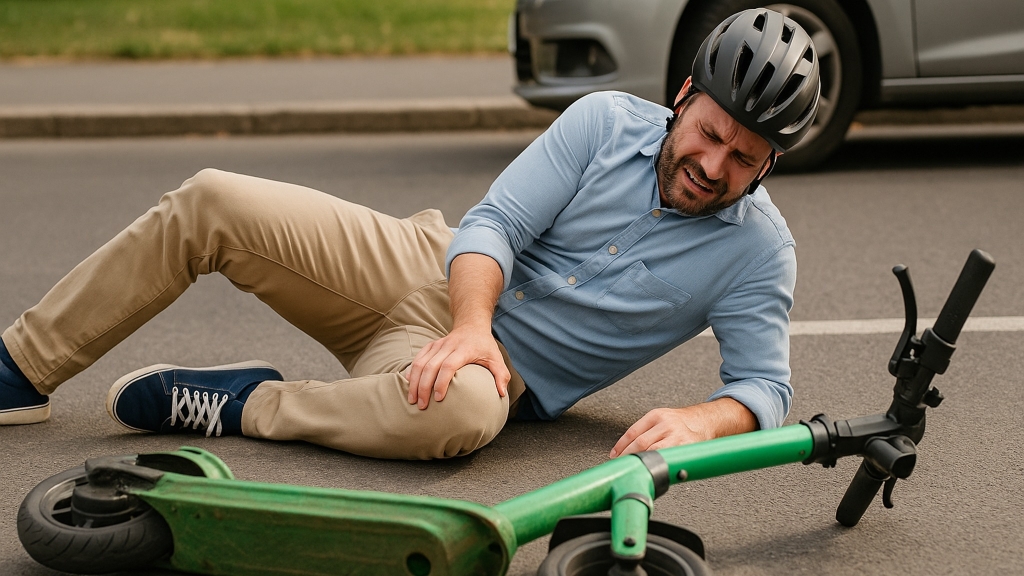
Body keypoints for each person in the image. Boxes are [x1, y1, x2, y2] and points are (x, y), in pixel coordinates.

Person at [0, 8, 819, 460]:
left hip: (499, 380)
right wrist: (467, 326)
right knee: (213, 197)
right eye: (710, 134)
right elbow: (495, 224)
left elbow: (765, 390)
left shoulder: (758, 252)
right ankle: (20, 367)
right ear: (683, 95)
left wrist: (703, 422)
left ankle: (242, 403)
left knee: (455, 417)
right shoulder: (604, 121)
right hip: (422, 271)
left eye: (744, 158)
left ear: (769, 164)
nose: (714, 165)